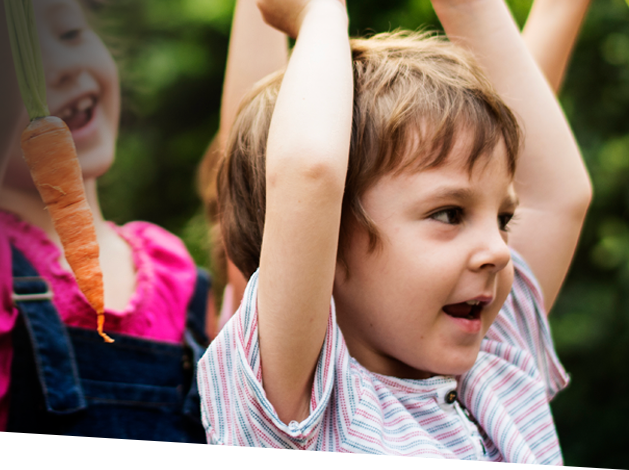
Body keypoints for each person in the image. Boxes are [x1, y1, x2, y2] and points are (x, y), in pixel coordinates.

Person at [200, 0, 590, 466]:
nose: (498, 251)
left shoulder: (494, 367)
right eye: (449, 213)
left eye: (503, 220)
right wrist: (318, 13)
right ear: (327, 241)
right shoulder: (302, 416)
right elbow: (311, 173)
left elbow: (558, 199)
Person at [0, 0, 277, 467]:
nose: (62, 70)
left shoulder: (171, 270)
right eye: (19, 60)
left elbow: (257, 166)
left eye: (71, 34)